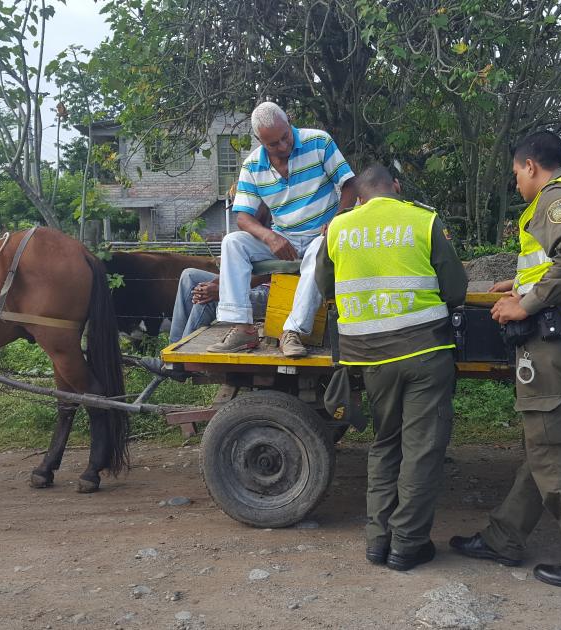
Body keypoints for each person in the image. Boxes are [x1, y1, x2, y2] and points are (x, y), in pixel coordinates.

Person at [449, 130, 561, 593]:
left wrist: (528, 304)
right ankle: (503, 537)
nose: (517, 184)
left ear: (530, 166)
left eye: (515, 174)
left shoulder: (556, 196)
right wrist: (522, 282)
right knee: (550, 443)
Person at [316, 165, 467, 571]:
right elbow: (456, 289)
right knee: (421, 450)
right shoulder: (424, 219)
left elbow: (325, 289)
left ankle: (377, 542)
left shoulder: (339, 229)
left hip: (370, 358)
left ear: (360, 196)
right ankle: (407, 545)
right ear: (396, 187)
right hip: (425, 352)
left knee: (386, 443)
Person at [208, 101, 357, 357]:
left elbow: (350, 185)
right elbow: (243, 217)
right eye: (273, 144)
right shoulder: (252, 165)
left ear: (289, 121)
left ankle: (293, 332)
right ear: (259, 140)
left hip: (321, 235)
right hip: (283, 238)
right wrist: (270, 237)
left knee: (320, 249)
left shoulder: (319, 142)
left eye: (285, 137)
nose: (283, 146)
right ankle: (243, 328)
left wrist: (337, 220)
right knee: (232, 242)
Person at [168, 268, 269, 342]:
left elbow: (267, 273)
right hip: (249, 282)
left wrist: (223, 291)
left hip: (271, 293)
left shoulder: (277, 242)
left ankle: (180, 363)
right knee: (189, 275)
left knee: (207, 298)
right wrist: (213, 285)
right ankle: (173, 348)